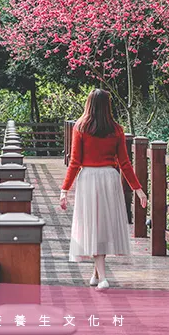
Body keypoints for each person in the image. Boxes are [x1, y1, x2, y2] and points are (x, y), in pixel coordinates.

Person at [59, 89, 147, 290]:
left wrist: (64, 189)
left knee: (93, 225)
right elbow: (125, 163)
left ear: (88, 104)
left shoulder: (80, 128)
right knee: (103, 225)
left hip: (88, 178)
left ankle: (103, 278)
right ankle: (96, 274)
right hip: (110, 178)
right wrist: (138, 189)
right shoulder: (116, 130)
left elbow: (75, 162)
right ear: (108, 106)